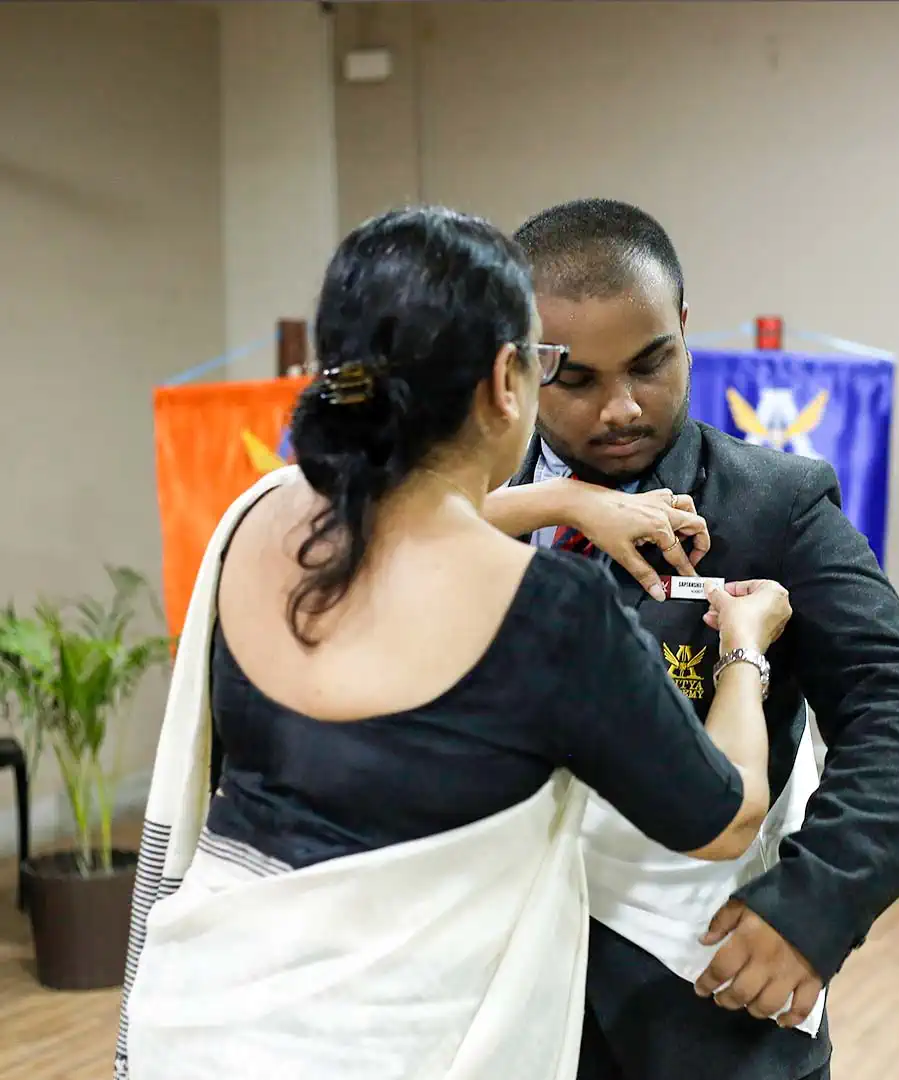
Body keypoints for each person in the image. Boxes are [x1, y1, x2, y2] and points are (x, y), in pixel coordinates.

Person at [114, 206, 797, 1080]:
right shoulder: (551, 612)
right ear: (507, 380)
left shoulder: (257, 518)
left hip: (200, 1021)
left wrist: (565, 499)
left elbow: (404, 513)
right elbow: (726, 818)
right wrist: (744, 649)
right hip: (390, 1047)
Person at [477, 198, 899, 1080]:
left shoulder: (773, 505)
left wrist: (814, 903)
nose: (622, 408)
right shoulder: (455, 505)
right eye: (577, 381)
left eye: (650, 363)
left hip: (708, 1002)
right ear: (520, 364)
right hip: (492, 1003)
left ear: (685, 331)